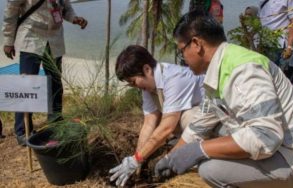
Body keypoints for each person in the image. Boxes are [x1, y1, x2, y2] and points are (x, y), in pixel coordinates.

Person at [155, 10, 293, 188]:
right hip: (277, 149)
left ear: (196, 44)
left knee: (210, 169)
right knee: (204, 125)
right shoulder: (218, 70)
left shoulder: (244, 70)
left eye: (182, 51)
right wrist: (171, 158)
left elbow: (266, 137)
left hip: (291, 157)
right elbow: (199, 126)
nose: (182, 58)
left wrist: (200, 150)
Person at [109, 45, 206, 187]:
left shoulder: (174, 79)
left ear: (147, 69)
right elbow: (149, 123)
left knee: (188, 117)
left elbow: (167, 127)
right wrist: (137, 162)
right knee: (171, 120)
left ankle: (200, 159)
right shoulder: (148, 86)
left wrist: (136, 159)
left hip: (216, 121)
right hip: (190, 124)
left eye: (133, 82)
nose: (134, 86)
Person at [2, 0, 88, 146]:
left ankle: (55, 124)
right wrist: (8, 41)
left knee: (55, 83)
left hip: (54, 40)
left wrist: (74, 18)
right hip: (31, 38)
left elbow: (66, 8)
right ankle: (23, 131)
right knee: (26, 86)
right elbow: (11, 11)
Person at [259, 0, 293, 67]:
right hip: (263, 43)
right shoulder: (262, 1)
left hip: (278, 45)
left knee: (273, 73)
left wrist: (290, 47)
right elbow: (262, 21)